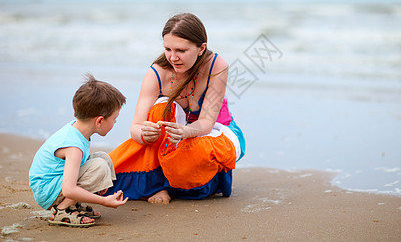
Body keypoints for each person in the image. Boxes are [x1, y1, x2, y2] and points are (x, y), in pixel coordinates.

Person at [107, 13, 245, 204]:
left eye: (181, 50)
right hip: (170, 140)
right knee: (158, 113)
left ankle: (172, 186)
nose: (173, 57)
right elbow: (136, 127)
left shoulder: (216, 66)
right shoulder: (157, 73)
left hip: (211, 132)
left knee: (194, 155)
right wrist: (144, 134)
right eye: (168, 49)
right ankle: (163, 186)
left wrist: (186, 131)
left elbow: (206, 121)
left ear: (201, 48)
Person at [29, 74, 128, 227]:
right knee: (99, 168)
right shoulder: (73, 146)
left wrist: (99, 185)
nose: (115, 122)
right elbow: (68, 190)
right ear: (100, 121)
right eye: (114, 118)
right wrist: (104, 201)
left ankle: (72, 205)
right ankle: (62, 210)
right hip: (47, 190)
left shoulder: (78, 129)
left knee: (103, 158)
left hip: (54, 182)